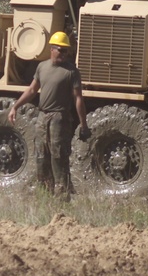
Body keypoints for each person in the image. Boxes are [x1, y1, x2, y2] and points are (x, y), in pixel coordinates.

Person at [8, 31, 89, 200]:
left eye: (66, 51)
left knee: (58, 156)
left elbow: (78, 98)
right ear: (52, 49)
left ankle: (62, 195)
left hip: (59, 118)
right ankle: (44, 193)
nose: (64, 54)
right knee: (40, 155)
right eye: (61, 50)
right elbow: (32, 90)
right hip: (42, 116)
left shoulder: (72, 72)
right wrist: (15, 106)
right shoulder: (42, 67)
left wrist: (83, 124)